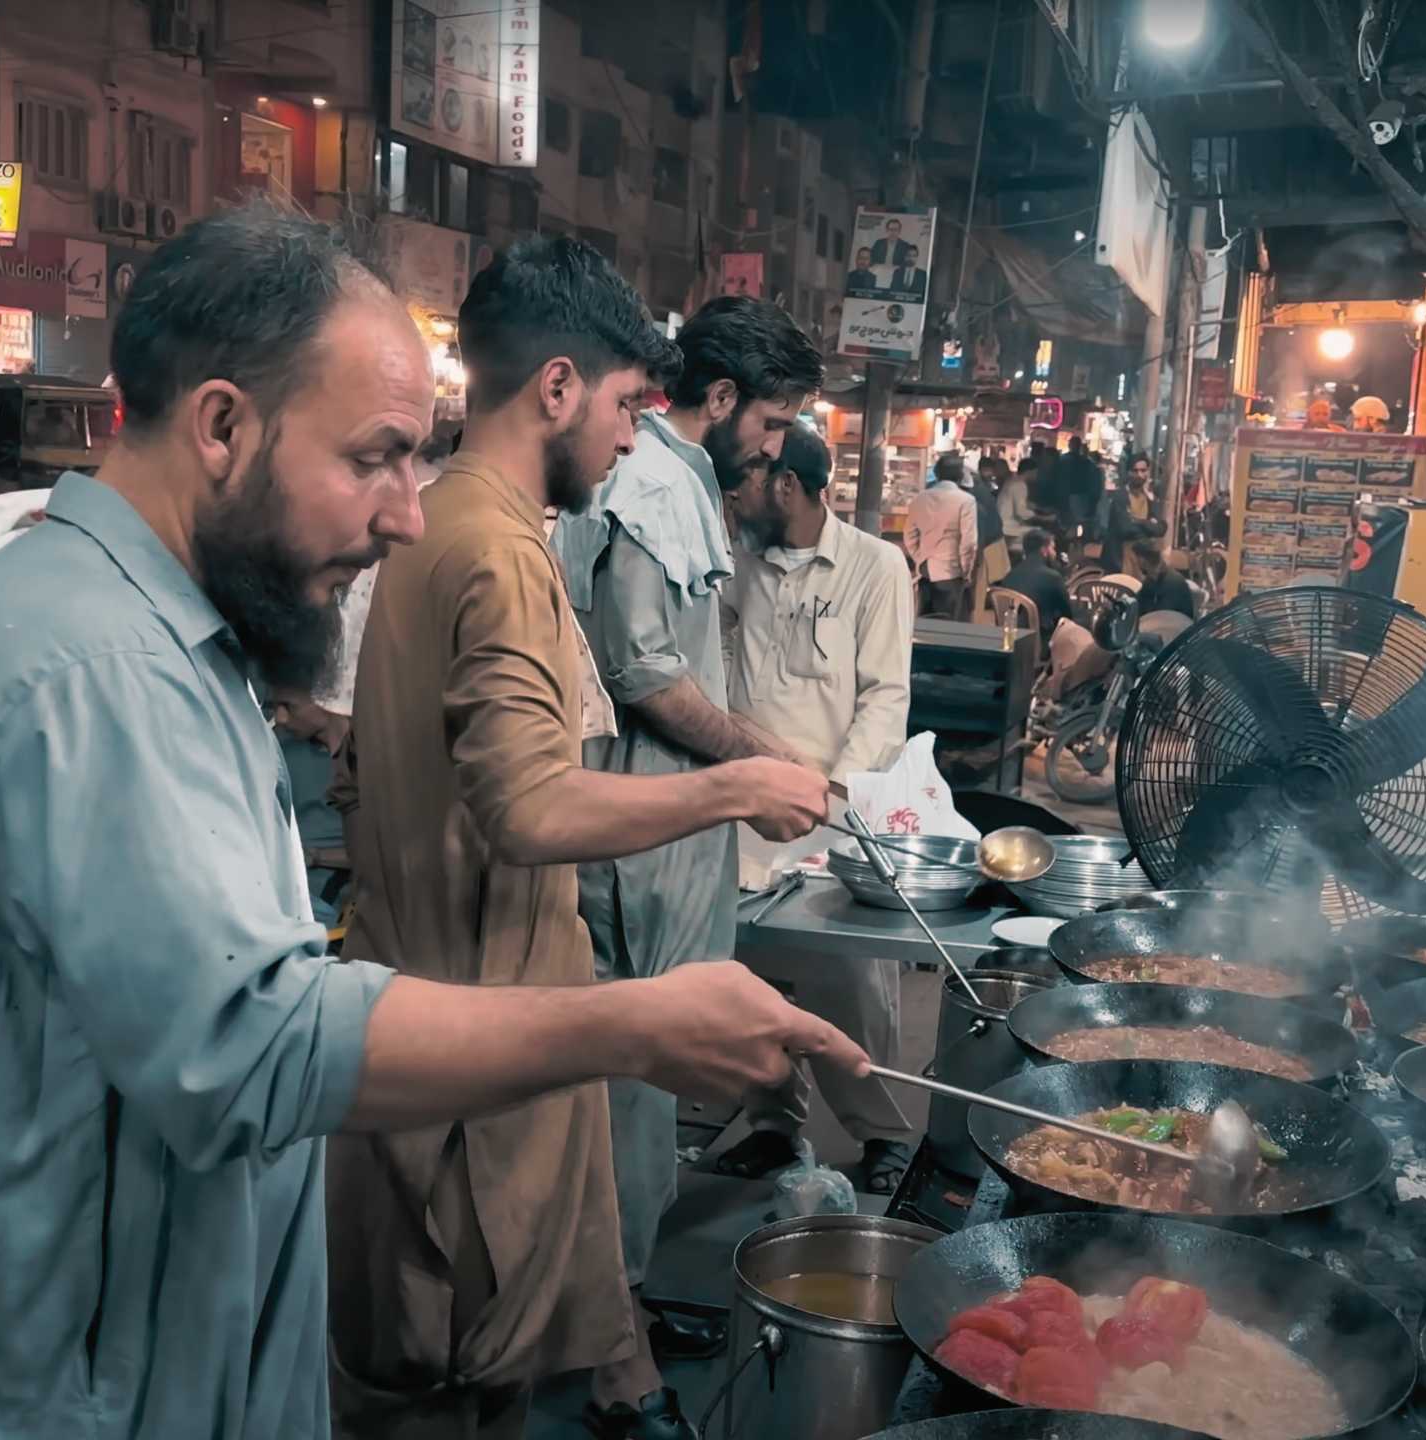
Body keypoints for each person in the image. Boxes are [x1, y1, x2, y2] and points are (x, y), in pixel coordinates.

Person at [0, 202, 865, 1440]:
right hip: (45, 1391)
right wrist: (636, 1023)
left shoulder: (121, 628)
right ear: (220, 425)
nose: (405, 511)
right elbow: (247, 1047)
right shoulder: (95, 664)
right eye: (373, 456)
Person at [325, 236, 837, 1440]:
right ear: (555, 388)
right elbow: (531, 805)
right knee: (467, 1383)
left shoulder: (436, 522)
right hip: (478, 1046)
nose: (626, 437)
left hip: (434, 1006)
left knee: (495, 1352)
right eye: (619, 406)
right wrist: (737, 783)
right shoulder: (501, 551)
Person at [550, 293, 828, 1440]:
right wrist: (763, 760)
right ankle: (617, 1372)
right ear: (718, 401)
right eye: (771, 423)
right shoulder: (658, 482)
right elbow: (643, 676)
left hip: (666, 831)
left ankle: (618, 1322)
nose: (776, 449)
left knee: (638, 1100)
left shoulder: (674, 481)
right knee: (626, 1101)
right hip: (643, 845)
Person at [716, 426, 918, 1189]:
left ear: (791, 488)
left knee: (852, 989)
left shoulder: (875, 567)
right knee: (753, 982)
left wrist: (832, 795)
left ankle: (884, 1136)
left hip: (834, 814)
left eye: (752, 482)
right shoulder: (739, 564)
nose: (739, 496)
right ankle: (774, 1127)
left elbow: (883, 698)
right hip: (745, 810)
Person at [903, 449, 978, 617]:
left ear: (936, 474)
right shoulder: (966, 501)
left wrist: (920, 557)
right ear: (959, 476)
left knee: (924, 623)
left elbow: (909, 535)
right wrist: (966, 572)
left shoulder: (920, 498)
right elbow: (969, 542)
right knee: (948, 626)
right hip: (951, 572)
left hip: (925, 571)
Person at [1099, 453, 1161, 573]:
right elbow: (1125, 528)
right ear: (1129, 473)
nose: (1139, 475)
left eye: (1143, 470)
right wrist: (1149, 526)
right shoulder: (1120, 496)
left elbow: (1160, 528)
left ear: (1148, 472)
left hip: (1141, 561)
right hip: (1120, 561)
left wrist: (1138, 521)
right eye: (1135, 470)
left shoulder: (1149, 498)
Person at [968, 453, 1012, 621]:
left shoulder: (975, 493)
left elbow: (981, 529)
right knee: (983, 591)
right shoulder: (981, 489)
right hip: (992, 543)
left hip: (986, 547)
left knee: (980, 590)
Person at [1131, 539, 1197, 620]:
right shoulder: (1150, 581)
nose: (1134, 562)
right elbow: (1139, 607)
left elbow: (1164, 616)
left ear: (1142, 560)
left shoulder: (1173, 583)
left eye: (1136, 558)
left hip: (1175, 628)